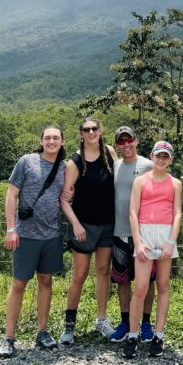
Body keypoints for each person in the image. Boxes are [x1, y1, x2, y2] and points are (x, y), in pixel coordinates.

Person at [0, 125, 67, 359]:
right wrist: (11, 228)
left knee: (46, 281)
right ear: (41, 141)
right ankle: (9, 337)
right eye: (47, 138)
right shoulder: (26, 162)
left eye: (55, 138)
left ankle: (43, 331)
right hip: (26, 234)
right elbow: (11, 195)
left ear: (62, 142)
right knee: (18, 284)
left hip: (52, 235)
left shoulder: (65, 168)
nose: (51, 141)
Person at [59, 118, 117, 344]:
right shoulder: (75, 162)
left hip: (108, 225)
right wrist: (75, 224)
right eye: (87, 129)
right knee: (80, 276)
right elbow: (64, 199)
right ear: (81, 134)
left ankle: (101, 319)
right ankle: (69, 325)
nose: (92, 132)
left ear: (101, 131)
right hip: (84, 226)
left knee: (103, 272)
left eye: (95, 128)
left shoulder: (110, 153)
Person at [122, 140, 182, 358]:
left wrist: (171, 242)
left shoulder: (175, 183)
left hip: (166, 234)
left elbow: (177, 213)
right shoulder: (140, 181)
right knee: (140, 287)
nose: (161, 159)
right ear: (152, 156)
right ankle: (132, 334)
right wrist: (138, 242)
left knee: (164, 285)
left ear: (170, 159)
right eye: (158, 155)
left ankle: (158, 335)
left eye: (166, 156)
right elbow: (133, 212)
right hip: (145, 233)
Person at [108, 126, 156, 343]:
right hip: (119, 232)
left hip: (144, 233)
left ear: (136, 141)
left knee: (148, 280)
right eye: (121, 142)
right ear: (117, 145)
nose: (126, 145)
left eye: (129, 140)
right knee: (122, 280)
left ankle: (145, 322)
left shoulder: (148, 165)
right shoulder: (116, 166)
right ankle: (126, 321)